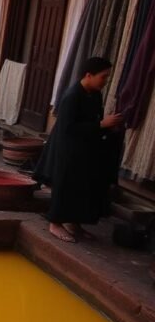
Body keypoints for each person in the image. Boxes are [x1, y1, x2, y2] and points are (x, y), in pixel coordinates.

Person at [34, 58, 124, 244]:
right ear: (88, 75)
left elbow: (94, 121)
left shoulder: (95, 94)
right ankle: (55, 223)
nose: (105, 81)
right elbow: (68, 128)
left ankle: (73, 223)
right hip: (66, 150)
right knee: (65, 186)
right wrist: (101, 124)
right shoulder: (72, 96)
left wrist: (106, 126)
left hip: (84, 149)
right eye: (103, 77)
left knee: (81, 187)